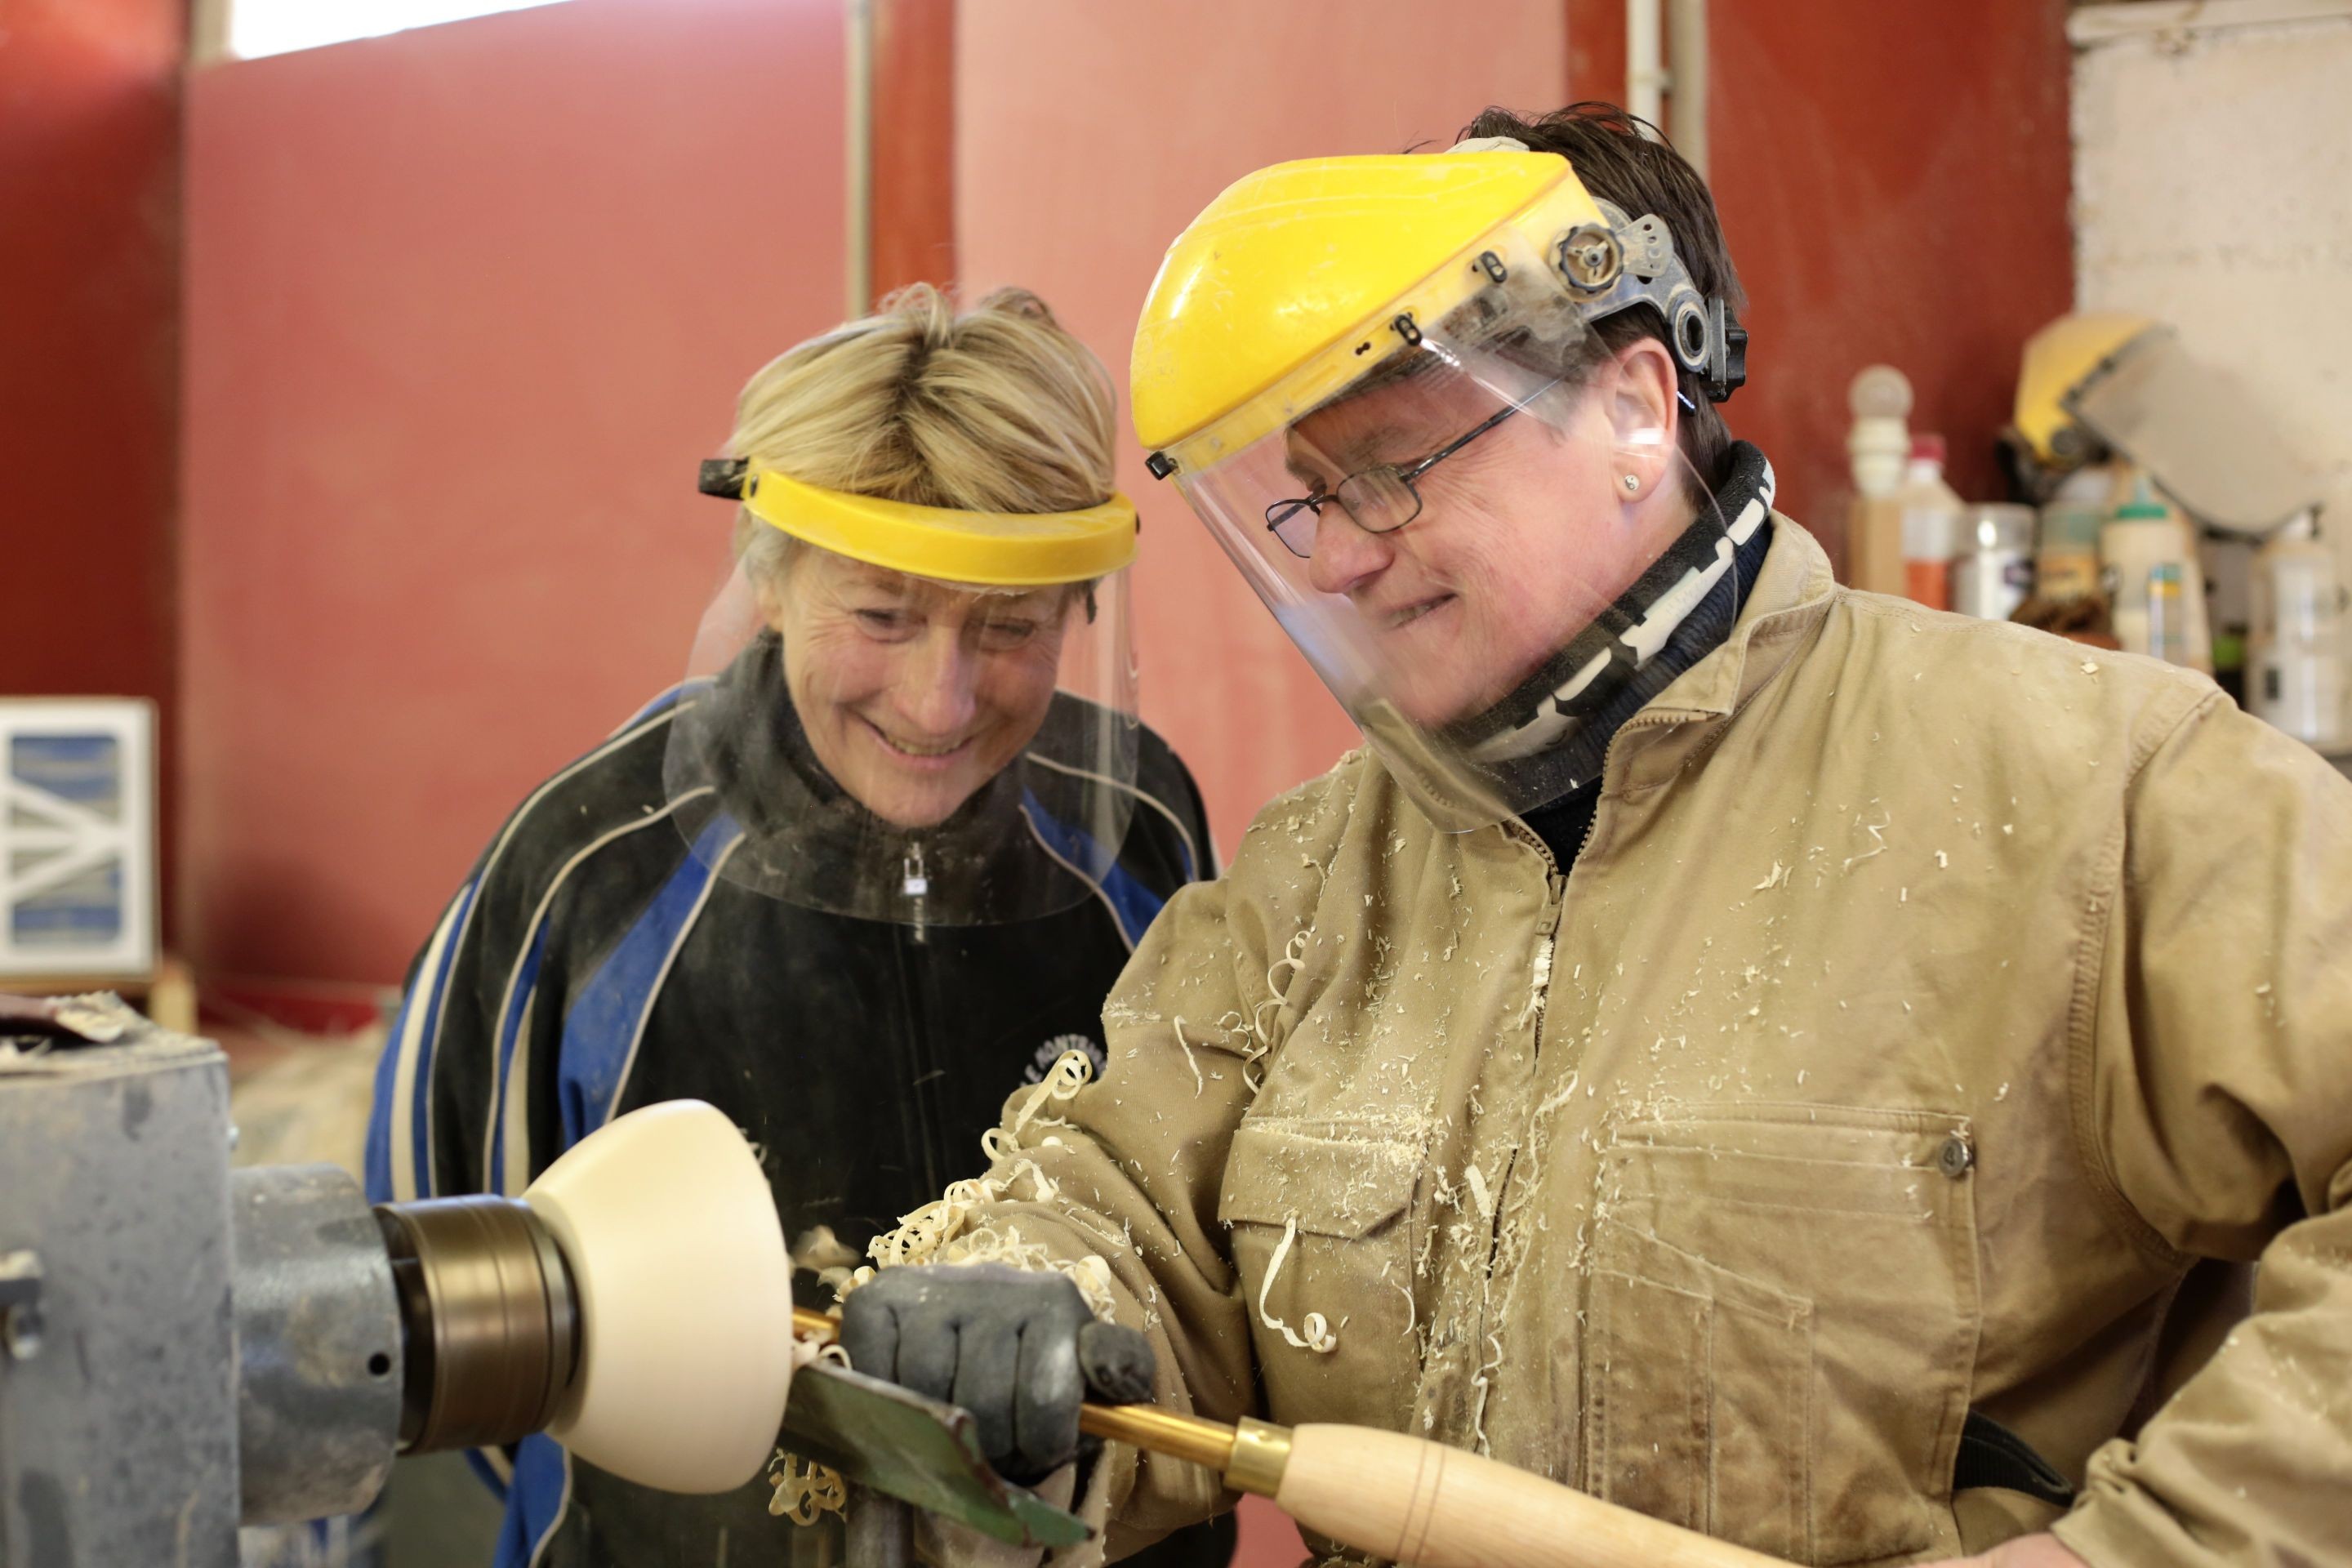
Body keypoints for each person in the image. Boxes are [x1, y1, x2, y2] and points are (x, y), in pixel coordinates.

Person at [841, 107, 2352, 1568]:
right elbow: (1128, 1220)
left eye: (1393, 467)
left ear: (1633, 407)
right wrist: (1019, 1301)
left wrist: (2146, 1555)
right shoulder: (1310, 884)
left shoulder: (2085, 788)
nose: (1346, 555)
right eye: (1306, 500)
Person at [364, 285, 1234, 1568]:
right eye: (879, 614)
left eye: (1009, 627)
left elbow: (1209, 1225)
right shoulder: (588, 868)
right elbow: (429, 1294)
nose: (939, 702)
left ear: (1079, 611)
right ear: (771, 581)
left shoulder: (1140, 828)